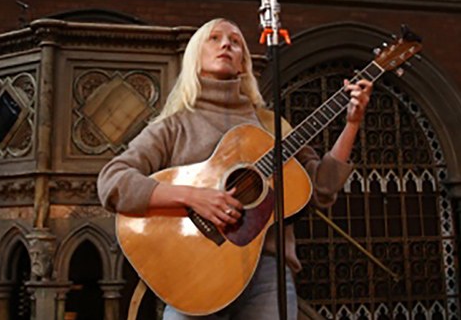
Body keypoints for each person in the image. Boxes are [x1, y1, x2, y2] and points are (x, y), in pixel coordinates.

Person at [97, 18, 373, 320]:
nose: (226, 44)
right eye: (214, 38)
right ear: (195, 57)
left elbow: (321, 188)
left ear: (243, 62)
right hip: (190, 273)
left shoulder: (272, 126)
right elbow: (113, 182)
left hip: (268, 273)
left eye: (236, 41)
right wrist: (192, 196)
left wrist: (352, 124)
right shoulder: (174, 126)